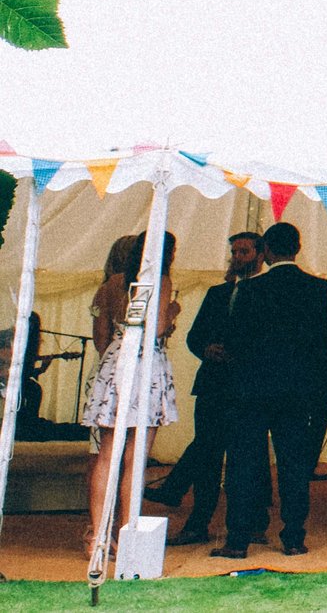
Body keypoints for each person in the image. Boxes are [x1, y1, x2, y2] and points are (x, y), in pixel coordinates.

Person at [216, 221, 327, 560]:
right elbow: (324, 346)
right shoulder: (319, 289)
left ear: (266, 251)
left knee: (245, 466)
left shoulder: (251, 289)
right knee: (294, 467)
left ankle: (238, 540)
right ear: (297, 249)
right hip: (297, 391)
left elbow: (235, 340)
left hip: (252, 390)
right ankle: (294, 537)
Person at [148, 231, 259, 545]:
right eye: (234, 252)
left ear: (259, 255)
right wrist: (206, 349)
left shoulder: (266, 293)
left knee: (243, 458)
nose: (237, 257)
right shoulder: (216, 293)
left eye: (244, 252)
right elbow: (194, 336)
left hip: (248, 387)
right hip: (213, 385)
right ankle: (198, 523)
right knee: (208, 454)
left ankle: (248, 524)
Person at [80, 232, 179, 561]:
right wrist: (173, 312)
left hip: (115, 362)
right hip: (145, 364)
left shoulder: (112, 283)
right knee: (134, 461)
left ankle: (97, 534)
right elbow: (160, 326)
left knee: (106, 456)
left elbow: (102, 336)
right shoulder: (160, 280)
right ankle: (128, 534)